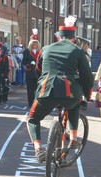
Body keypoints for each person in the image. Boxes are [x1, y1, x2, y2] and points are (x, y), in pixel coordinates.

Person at [26, 16, 94, 163]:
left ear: (59, 37)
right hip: (69, 92)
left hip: (46, 91)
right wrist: (87, 93)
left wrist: (44, 80)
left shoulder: (45, 49)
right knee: (74, 105)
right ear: (73, 38)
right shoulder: (77, 51)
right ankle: (74, 138)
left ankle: (38, 148)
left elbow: (38, 69)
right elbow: (87, 76)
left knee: (32, 119)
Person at [22, 35, 41, 108]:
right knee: (30, 89)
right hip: (30, 72)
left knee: (38, 89)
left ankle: (37, 103)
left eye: (36, 43)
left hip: (38, 73)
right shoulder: (27, 51)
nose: (34, 44)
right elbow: (23, 61)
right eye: (33, 43)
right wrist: (29, 64)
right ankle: (30, 103)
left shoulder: (40, 51)